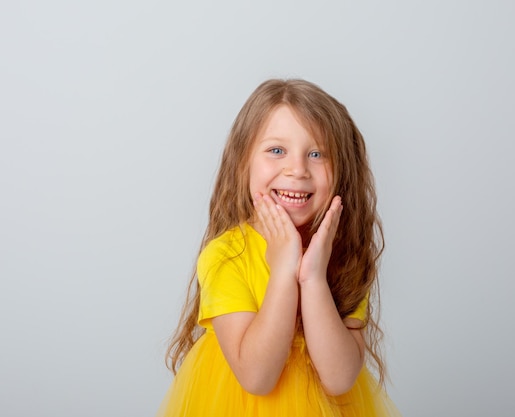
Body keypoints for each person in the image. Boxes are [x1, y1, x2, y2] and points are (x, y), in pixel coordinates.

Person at [157, 79, 401, 416]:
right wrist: (284, 271)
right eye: (276, 150)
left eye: (316, 154)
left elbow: (340, 378)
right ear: (243, 162)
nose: (297, 169)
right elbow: (257, 377)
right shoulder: (227, 256)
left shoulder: (342, 253)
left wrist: (313, 277)